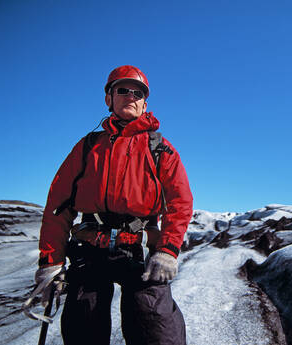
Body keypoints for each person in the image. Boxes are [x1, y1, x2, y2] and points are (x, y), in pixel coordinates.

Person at [34, 65, 193, 345]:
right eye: (123, 90)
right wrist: (51, 262)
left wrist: (168, 250)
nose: (131, 96)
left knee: (158, 334)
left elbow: (179, 203)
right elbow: (58, 206)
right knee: (84, 332)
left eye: (138, 92)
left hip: (140, 252)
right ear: (109, 98)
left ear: (145, 103)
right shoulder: (86, 147)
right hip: (90, 250)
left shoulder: (161, 149)